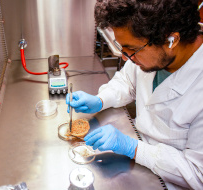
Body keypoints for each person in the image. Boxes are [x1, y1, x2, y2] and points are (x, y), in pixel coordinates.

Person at [66, 0, 203, 189]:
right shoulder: (151, 47)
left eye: (131, 49)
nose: (125, 56)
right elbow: (128, 81)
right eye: (122, 47)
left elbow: (197, 174)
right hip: (135, 164)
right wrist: (101, 100)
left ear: (172, 40)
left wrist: (134, 148)